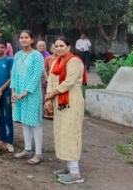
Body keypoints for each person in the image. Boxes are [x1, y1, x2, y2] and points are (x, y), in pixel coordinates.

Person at [44, 36, 86, 185]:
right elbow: (50, 81)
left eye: (62, 45)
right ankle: (69, 167)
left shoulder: (74, 61)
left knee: (71, 133)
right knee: (62, 133)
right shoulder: (55, 61)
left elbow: (68, 83)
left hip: (72, 102)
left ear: (69, 47)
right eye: (56, 46)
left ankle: (76, 174)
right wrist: (48, 99)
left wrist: (51, 94)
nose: (59, 48)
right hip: (59, 102)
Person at [11, 30, 45, 165]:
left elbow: (37, 76)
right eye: (21, 37)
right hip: (19, 93)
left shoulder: (37, 56)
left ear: (32, 40)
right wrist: (13, 91)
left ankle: (39, 153)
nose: (23, 40)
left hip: (31, 94)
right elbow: (14, 73)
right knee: (24, 121)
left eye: (26, 37)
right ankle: (27, 149)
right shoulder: (17, 55)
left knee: (35, 123)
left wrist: (26, 92)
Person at [43, 44, 58, 119]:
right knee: (48, 95)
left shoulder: (61, 58)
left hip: (58, 81)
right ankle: (48, 112)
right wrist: (47, 78)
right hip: (49, 80)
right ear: (51, 50)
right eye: (54, 48)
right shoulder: (48, 58)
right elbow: (45, 70)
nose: (56, 49)